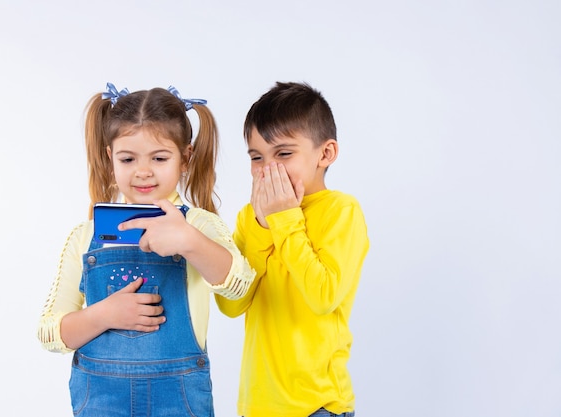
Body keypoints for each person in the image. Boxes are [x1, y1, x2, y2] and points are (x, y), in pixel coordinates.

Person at [37, 82, 255, 417]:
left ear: (185, 158)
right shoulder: (85, 236)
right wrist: (105, 314)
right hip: (100, 402)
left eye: (159, 157)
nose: (143, 171)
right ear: (110, 159)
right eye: (128, 158)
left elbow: (239, 288)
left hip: (180, 400)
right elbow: (50, 333)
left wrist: (191, 242)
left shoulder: (200, 226)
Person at [215, 81, 370, 417]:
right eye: (257, 157)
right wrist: (261, 226)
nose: (268, 168)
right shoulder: (251, 217)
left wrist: (284, 219)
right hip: (256, 405)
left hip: (319, 405)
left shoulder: (341, 211)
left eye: (284, 153)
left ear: (325, 154)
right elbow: (230, 304)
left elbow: (323, 295)